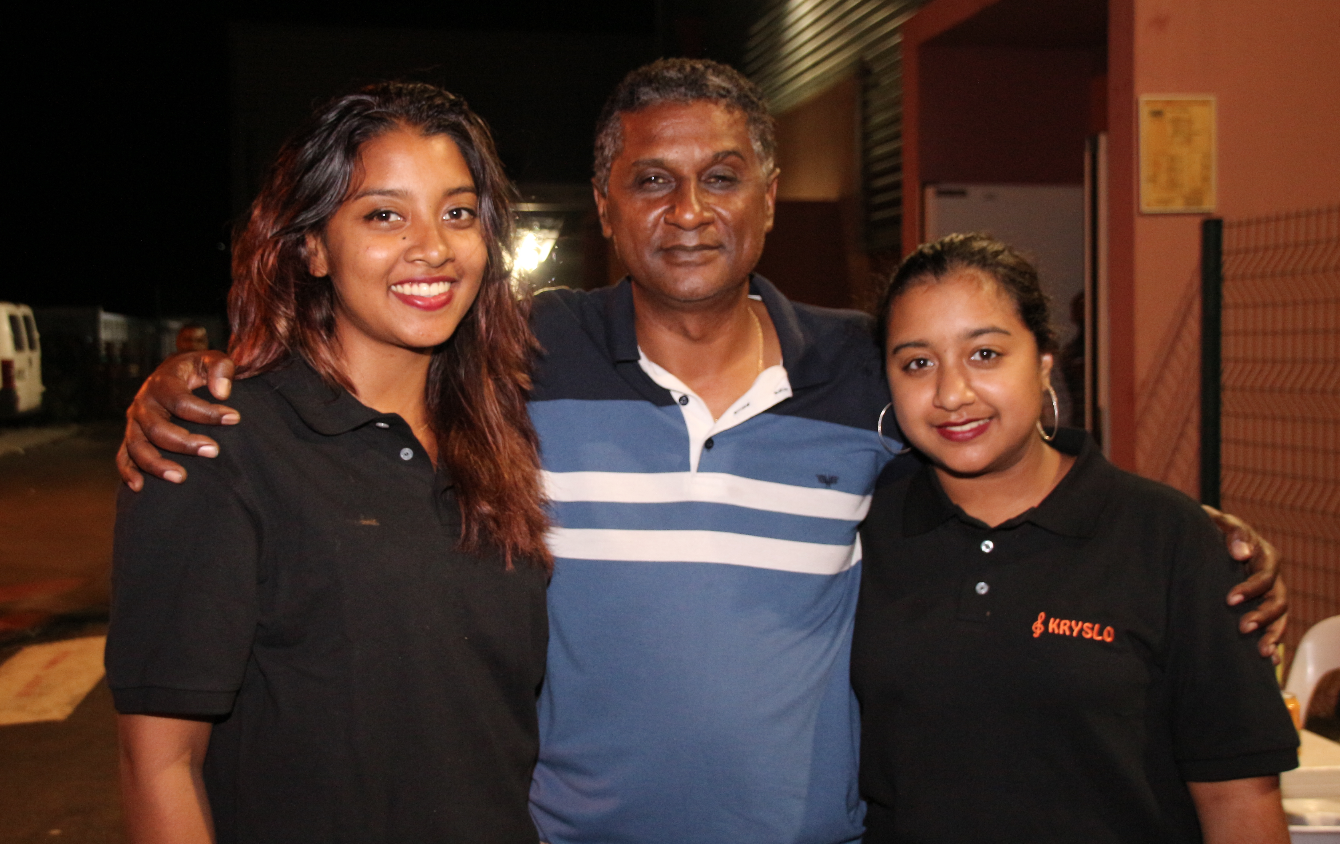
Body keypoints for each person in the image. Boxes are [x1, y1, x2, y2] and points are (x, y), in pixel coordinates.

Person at [114, 61, 1288, 844]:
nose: (689, 210)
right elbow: (351, 370)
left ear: (769, 200)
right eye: (652, 181)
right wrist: (188, 383)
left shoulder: (866, 373)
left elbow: (993, 435)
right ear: (606, 209)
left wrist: (1184, 550)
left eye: (722, 177)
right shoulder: (518, 363)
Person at [106, 82, 551, 844]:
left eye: (458, 212)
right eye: (384, 214)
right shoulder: (220, 445)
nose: (433, 247)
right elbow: (159, 766)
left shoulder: (504, 435)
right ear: (310, 245)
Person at [852, 233, 1298, 843]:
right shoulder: (856, 529)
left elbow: (1240, 804)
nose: (951, 394)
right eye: (917, 363)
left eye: (984, 354)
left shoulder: (1170, 542)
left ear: (1043, 361)